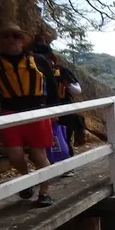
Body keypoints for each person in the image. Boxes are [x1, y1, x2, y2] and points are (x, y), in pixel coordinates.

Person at [0, 23, 59, 207]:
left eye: (15, 36)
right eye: (5, 36)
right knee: (14, 155)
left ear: (22, 40)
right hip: (10, 113)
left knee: (39, 155)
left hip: (37, 112)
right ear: (0, 41)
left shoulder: (39, 60)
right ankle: (26, 179)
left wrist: (55, 111)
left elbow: (53, 89)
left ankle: (44, 192)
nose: (10, 40)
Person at [33, 43, 84, 177]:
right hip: (45, 110)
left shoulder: (62, 72)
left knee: (65, 139)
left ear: (51, 59)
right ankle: (49, 166)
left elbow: (78, 90)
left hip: (65, 110)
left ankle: (68, 166)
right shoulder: (35, 72)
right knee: (47, 141)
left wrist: (68, 85)